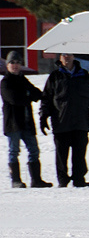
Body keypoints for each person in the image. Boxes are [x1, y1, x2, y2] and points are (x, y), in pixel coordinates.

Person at [39, 53, 89, 188]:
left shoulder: (84, 75)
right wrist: (43, 117)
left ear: (73, 57)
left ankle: (79, 179)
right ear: (60, 58)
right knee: (61, 154)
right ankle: (62, 179)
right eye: (63, 55)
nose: (66, 58)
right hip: (61, 122)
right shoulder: (55, 76)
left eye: (69, 55)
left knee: (79, 153)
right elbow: (47, 98)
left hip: (81, 121)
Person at [2, 51, 52, 188]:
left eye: (18, 62)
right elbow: (14, 99)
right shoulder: (5, 82)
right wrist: (28, 95)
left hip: (27, 122)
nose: (15, 65)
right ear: (7, 65)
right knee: (14, 151)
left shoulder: (23, 80)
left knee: (34, 150)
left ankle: (36, 180)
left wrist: (37, 95)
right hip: (13, 124)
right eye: (12, 63)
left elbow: (36, 93)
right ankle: (16, 180)